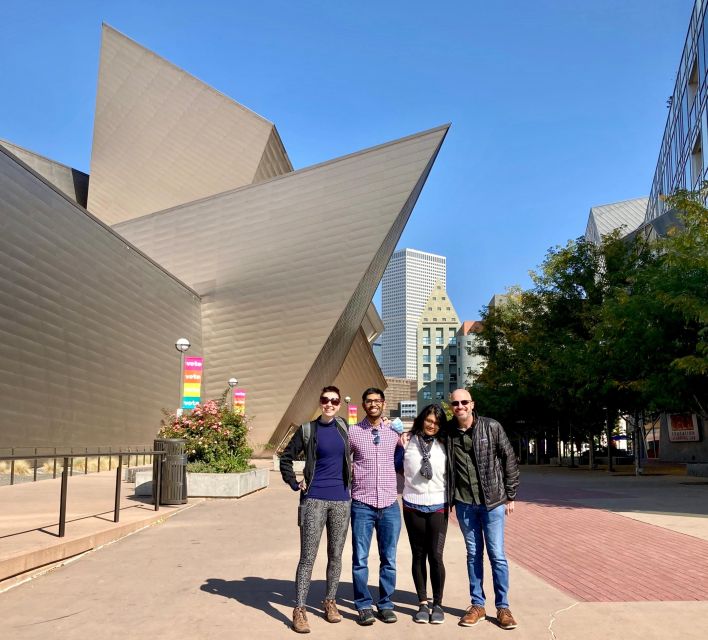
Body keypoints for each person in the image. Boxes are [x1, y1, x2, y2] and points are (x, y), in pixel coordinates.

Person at [280, 386, 351, 634]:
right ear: (320, 403)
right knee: (308, 557)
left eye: (334, 400)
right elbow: (285, 457)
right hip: (314, 499)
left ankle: (330, 601)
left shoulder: (344, 428)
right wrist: (294, 481)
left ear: (339, 404)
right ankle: (299, 608)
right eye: (325, 400)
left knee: (336, 555)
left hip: (342, 500)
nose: (329, 404)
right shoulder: (308, 429)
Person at [446, 388, 520, 630]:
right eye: (455, 403)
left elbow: (509, 458)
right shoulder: (448, 432)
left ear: (472, 404)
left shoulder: (491, 427)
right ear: (451, 407)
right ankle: (477, 605)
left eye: (464, 402)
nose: (460, 406)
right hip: (465, 504)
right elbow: (424, 433)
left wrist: (511, 494)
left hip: (493, 503)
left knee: (497, 555)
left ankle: (503, 607)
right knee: (473, 555)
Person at [348, 387, 402, 625]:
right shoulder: (353, 432)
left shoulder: (393, 431)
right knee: (360, 558)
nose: (373, 404)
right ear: (363, 405)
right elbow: (338, 460)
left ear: (383, 403)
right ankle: (362, 605)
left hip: (390, 503)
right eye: (369, 401)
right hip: (362, 504)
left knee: (388, 558)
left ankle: (386, 604)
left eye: (377, 401)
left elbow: (407, 459)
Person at [400, 404, 449, 624]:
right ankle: (422, 602)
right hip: (413, 505)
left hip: (438, 504)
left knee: (436, 556)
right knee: (418, 555)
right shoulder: (406, 441)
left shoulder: (445, 443)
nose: (432, 425)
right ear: (422, 419)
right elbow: (394, 465)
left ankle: (437, 604)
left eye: (437, 423)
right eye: (429, 420)